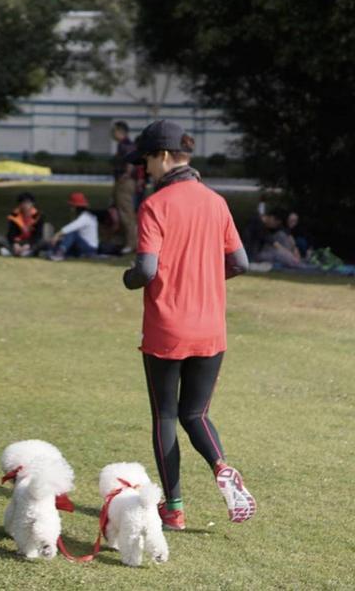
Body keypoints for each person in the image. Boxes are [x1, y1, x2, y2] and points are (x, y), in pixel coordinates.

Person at [122, 119, 255, 531]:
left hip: (167, 328)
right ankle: (220, 465)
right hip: (211, 328)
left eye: (146, 160)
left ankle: (174, 509)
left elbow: (145, 269)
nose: (145, 169)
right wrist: (207, 280)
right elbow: (241, 263)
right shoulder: (216, 202)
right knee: (195, 413)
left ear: (163, 155)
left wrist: (127, 278)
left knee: (165, 416)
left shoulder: (155, 205)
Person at [111, 120, 137, 254]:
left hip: (125, 182)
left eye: (114, 130)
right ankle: (125, 241)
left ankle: (132, 243)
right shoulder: (122, 145)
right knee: (121, 212)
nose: (112, 133)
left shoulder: (125, 145)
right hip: (122, 182)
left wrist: (126, 174)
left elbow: (130, 161)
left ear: (120, 131)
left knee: (126, 213)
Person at [49, 192, 98, 261]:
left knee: (72, 232)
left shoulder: (85, 217)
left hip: (89, 248)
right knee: (61, 241)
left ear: (76, 207)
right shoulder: (83, 216)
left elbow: (70, 228)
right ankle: (54, 251)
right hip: (81, 245)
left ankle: (60, 253)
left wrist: (57, 234)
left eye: (72, 206)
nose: (71, 209)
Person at [0, 192, 46, 257]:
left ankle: (15, 252)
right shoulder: (14, 215)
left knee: (43, 241)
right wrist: (15, 244)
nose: (25, 205)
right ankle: (21, 252)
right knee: (0, 239)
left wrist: (29, 244)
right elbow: (10, 233)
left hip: (31, 241)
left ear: (33, 204)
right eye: (23, 203)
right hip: (18, 240)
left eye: (28, 203)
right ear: (19, 204)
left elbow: (38, 235)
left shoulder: (38, 216)